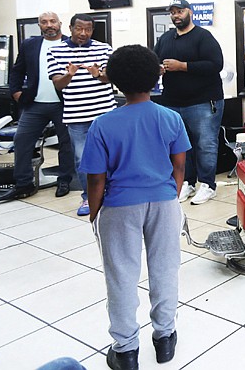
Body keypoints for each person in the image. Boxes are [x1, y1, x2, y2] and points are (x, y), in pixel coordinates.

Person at [79, 44, 190, 369]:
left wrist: (97, 214)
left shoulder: (103, 125)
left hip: (119, 206)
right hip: (164, 202)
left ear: (113, 80)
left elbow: (96, 180)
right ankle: (165, 338)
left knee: (121, 276)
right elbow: (179, 166)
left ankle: (126, 350)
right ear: (157, 75)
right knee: (165, 269)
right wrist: (171, 196)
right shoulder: (171, 117)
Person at [0, 11, 74, 202]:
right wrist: (15, 92)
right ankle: (23, 184)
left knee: (66, 144)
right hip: (35, 103)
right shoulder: (30, 44)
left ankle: (64, 180)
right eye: (44, 22)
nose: (49, 25)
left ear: (60, 23)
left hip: (63, 103)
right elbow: (17, 70)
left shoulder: (70, 45)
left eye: (53, 21)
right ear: (39, 25)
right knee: (22, 140)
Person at [153, 0, 224, 205]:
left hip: (203, 102)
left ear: (189, 12)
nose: (176, 15)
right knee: (182, 146)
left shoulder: (203, 37)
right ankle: (187, 182)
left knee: (206, 145)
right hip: (173, 102)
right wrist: (158, 68)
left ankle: (208, 185)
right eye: (173, 12)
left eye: (180, 11)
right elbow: (154, 60)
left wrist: (183, 66)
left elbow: (215, 64)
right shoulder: (166, 38)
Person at [47, 13, 116, 216]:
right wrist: (70, 74)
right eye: (79, 29)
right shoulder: (55, 51)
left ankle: (111, 193)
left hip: (105, 114)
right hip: (76, 116)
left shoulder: (103, 48)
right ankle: (89, 197)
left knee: (111, 156)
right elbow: (58, 84)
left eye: (88, 29)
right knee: (82, 159)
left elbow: (111, 77)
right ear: (70, 28)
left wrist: (99, 75)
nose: (83, 33)